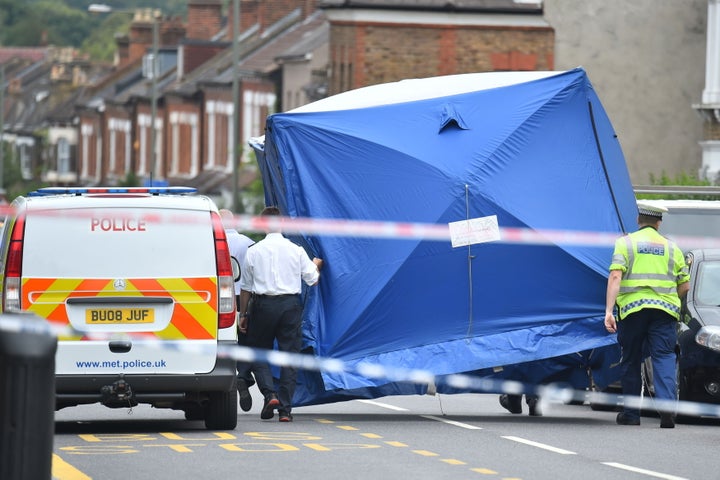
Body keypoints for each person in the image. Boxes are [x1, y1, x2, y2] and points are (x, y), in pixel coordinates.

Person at [604, 201, 689, 428]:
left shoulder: (626, 243)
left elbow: (615, 277)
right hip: (664, 313)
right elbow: (685, 285)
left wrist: (609, 311)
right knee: (663, 358)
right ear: (659, 222)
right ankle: (668, 412)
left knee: (631, 359)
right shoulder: (672, 248)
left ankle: (631, 414)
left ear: (638, 220)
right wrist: (670, 299)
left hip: (632, 312)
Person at [238, 206, 323, 422]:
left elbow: (246, 288)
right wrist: (316, 264)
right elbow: (313, 279)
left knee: (258, 352)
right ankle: (285, 410)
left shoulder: (254, 251)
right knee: (289, 357)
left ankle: (269, 395)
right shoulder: (296, 250)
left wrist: (243, 315)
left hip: (263, 306)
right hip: (290, 307)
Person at [219, 208, 256, 413]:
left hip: (220, 297)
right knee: (244, 340)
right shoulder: (248, 242)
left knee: (223, 339)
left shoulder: (211, 241)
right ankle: (243, 375)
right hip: (243, 297)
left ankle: (226, 376)